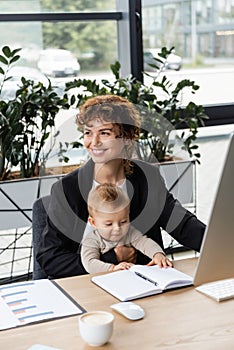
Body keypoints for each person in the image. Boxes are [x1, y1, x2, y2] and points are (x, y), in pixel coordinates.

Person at [37, 94, 205, 279]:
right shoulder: (67, 189)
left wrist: (222, 244)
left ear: (127, 138)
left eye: (104, 133)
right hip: (91, 286)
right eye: (88, 132)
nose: (94, 142)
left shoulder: (147, 177)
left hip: (146, 282)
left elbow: (181, 224)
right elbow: (51, 258)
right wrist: (112, 258)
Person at [81, 183, 173, 273]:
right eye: (109, 224)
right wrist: (112, 268)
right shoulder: (92, 240)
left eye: (123, 222)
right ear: (93, 222)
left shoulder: (129, 232)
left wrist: (157, 254)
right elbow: (89, 263)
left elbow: (145, 242)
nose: (117, 228)